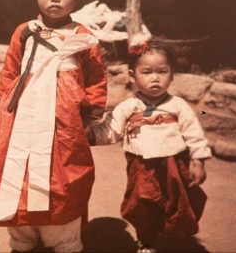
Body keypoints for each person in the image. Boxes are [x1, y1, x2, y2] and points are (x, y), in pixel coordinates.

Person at [0, 0, 107, 252]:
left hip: (65, 125)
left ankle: (63, 239)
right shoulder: (25, 32)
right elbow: (10, 72)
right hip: (22, 118)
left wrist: (90, 120)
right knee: (18, 172)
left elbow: (96, 80)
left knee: (62, 176)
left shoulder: (83, 37)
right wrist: (0, 115)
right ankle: (24, 238)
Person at [87, 40, 211, 253]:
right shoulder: (128, 107)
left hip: (175, 165)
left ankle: (177, 241)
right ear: (133, 76)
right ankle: (146, 241)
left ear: (172, 75)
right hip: (141, 167)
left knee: (179, 205)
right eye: (147, 72)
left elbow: (194, 133)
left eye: (162, 71)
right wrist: (89, 133)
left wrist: (198, 161)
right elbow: (111, 131)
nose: (155, 78)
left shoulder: (177, 105)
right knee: (141, 206)